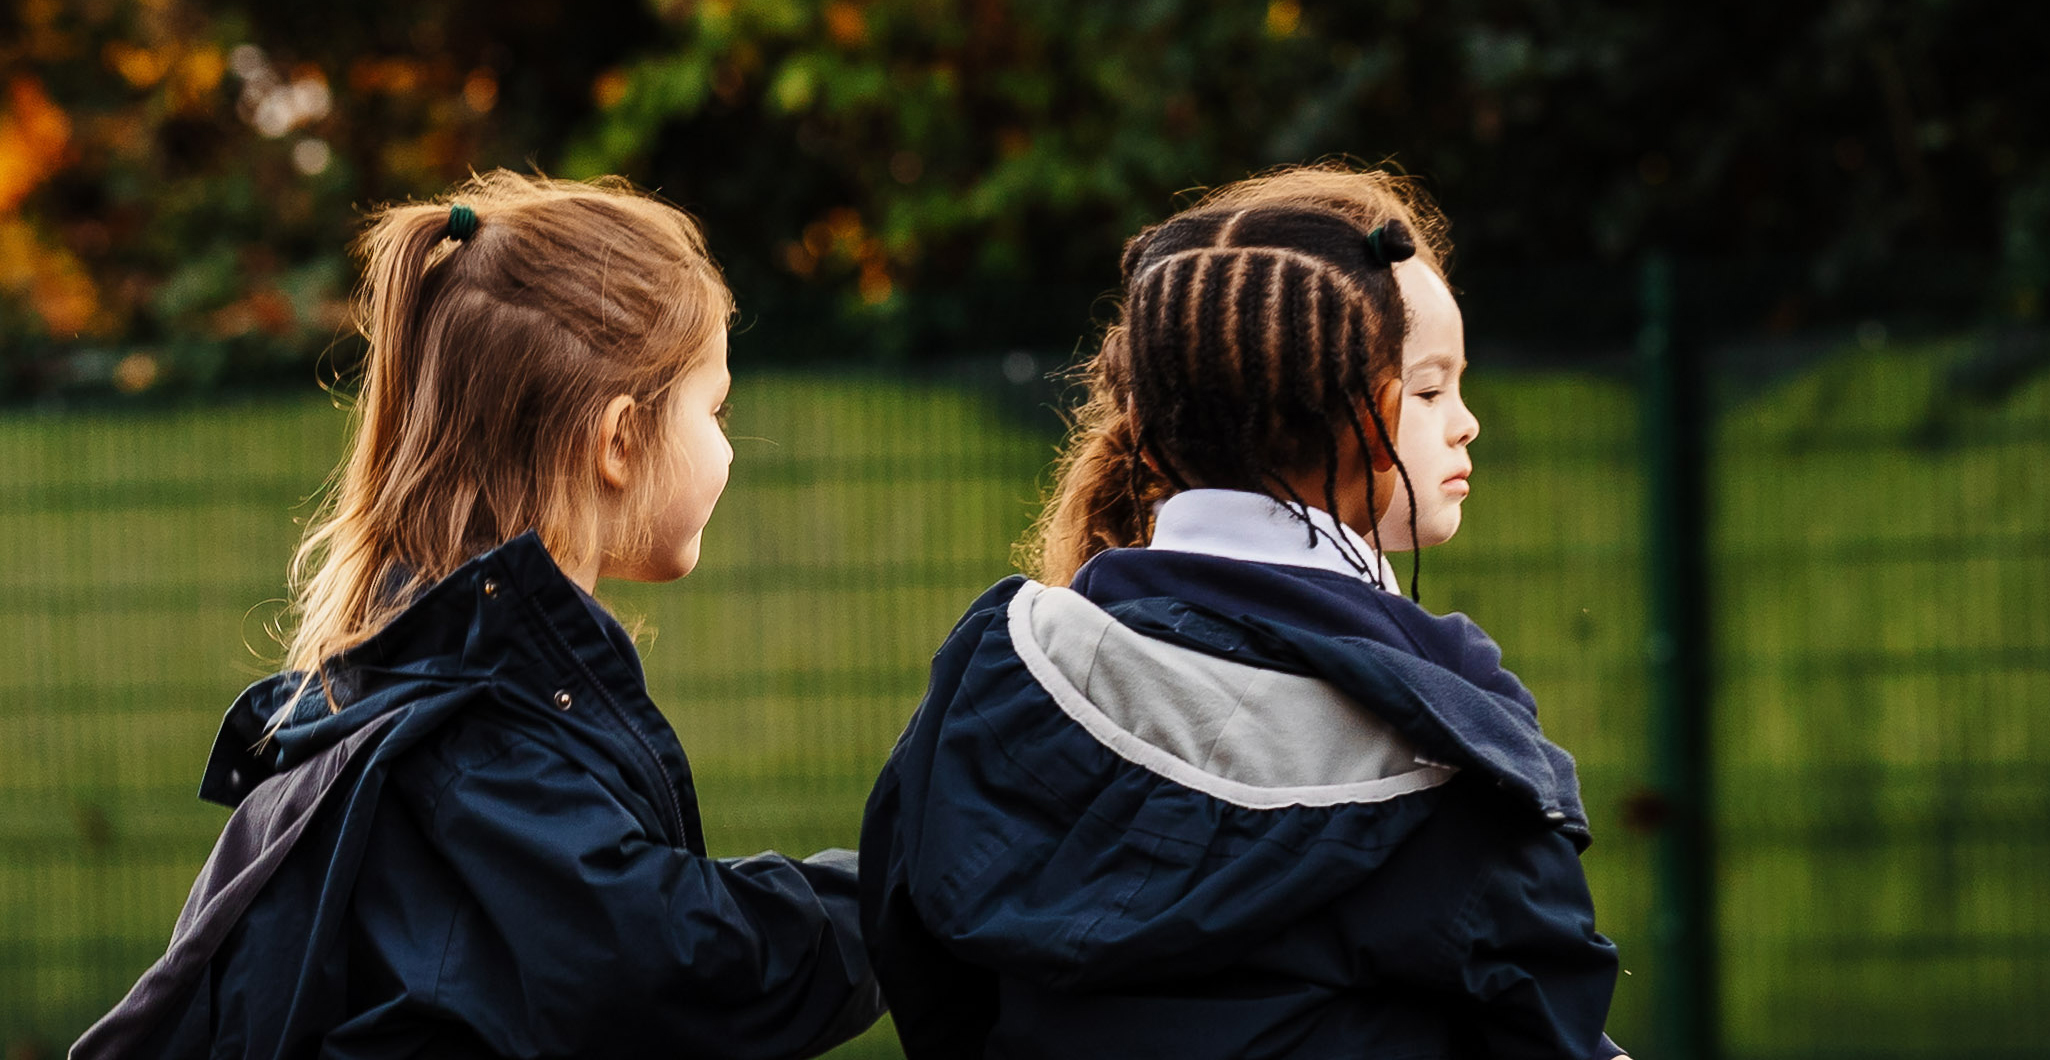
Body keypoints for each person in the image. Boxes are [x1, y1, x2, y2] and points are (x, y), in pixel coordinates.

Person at [75, 173, 878, 1060]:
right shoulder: (480, 737)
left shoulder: (447, 688)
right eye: (713, 408)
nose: (728, 443)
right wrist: (892, 898)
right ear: (617, 440)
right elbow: (671, 965)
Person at [859, 166, 1624, 1059]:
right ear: (1367, 416)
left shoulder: (997, 672)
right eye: (1429, 388)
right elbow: (1548, 1018)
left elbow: (918, 957)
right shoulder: (1443, 745)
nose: (1465, 422)